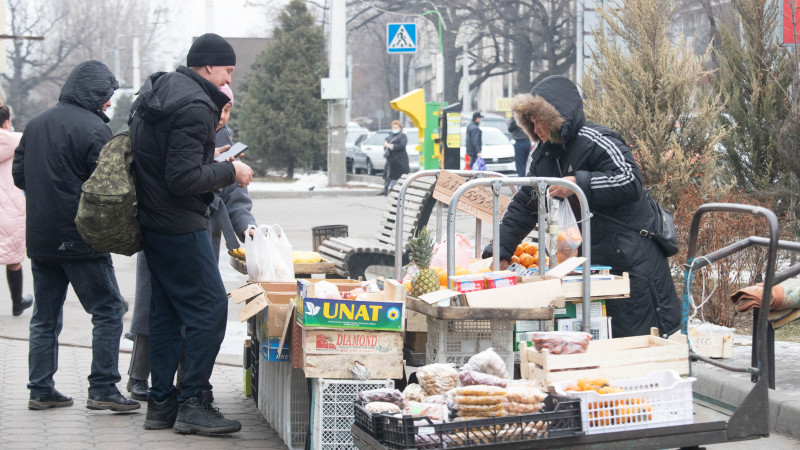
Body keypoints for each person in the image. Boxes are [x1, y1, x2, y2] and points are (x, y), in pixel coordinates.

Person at [483, 75, 680, 339]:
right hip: (593, 261)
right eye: (531, 123)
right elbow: (525, 205)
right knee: (602, 335)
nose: (536, 129)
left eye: (539, 120)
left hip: (633, 255)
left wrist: (580, 183)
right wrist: (501, 250)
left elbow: (630, 180)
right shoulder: (544, 155)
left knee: (642, 333)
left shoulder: (595, 139)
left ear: (556, 116)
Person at [129, 33, 253, 435]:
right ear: (208, 66)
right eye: (227, 70)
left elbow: (166, 161)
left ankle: (161, 404)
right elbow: (182, 178)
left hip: (153, 221)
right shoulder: (197, 104)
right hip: (180, 224)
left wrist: (211, 159)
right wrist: (231, 170)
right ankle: (193, 401)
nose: (228, 80)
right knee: (211, 308)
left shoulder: (163, 91)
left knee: (165, 313)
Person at [12, 60, 139, 412]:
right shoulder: (95, 130)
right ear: (95, 94)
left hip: (40, 237)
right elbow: (111, 187)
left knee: (45, 316)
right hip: (82, 237)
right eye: (107, 96)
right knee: (109, 309)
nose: (109, 104)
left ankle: (40, 389)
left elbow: (20, 176)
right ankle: (102, 387)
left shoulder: (35, 124)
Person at [0, 105, 33, 317]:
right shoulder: (16, 140)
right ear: (6, 123)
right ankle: (17, 303)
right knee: (13, 257)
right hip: (9, 207)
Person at [377, 120, 410, 195]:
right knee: (388, 175)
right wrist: (385, 144)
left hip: (400, 160)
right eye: (393, 127)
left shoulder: (402, 136)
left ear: (400, 128)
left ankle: (399, 191)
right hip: (391, 160)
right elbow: (386, 142)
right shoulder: (391, 135)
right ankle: (385, 190)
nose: (394, 129)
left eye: (396, 127)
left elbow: (402, 146)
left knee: (399, 176)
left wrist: (390, 146)